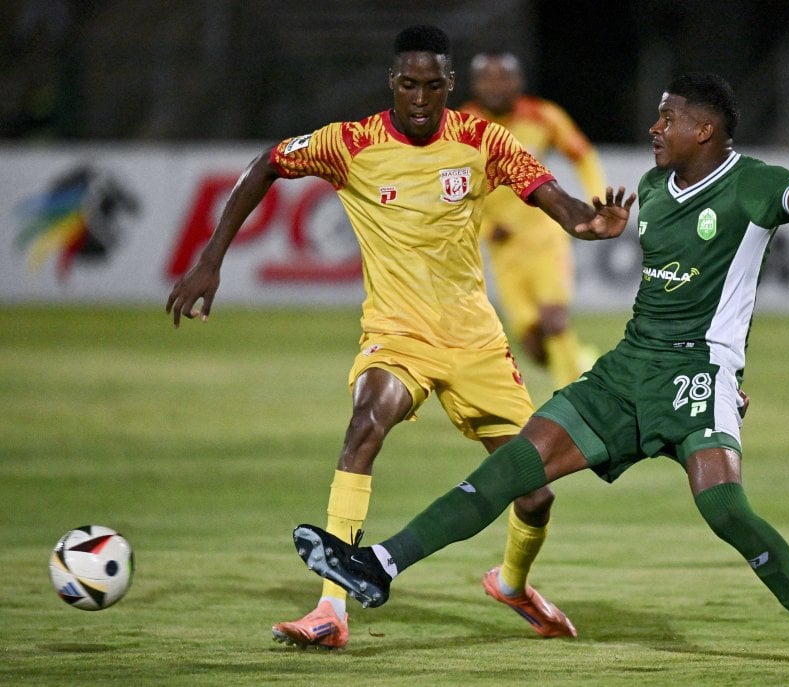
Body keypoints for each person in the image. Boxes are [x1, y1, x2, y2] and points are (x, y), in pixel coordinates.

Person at [291, 73, 789, 668]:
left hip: (699, 371)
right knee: (516, 466)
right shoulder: (653, 186)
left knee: (723, 508)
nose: (655, 128)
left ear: (705, 130)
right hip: (627, 369)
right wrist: (608, 230)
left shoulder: (755, 184)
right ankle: (380, 565)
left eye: (667, 119)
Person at [166, 25, 632, 649]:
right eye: (408, 84)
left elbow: (559, 201)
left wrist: (591, 223)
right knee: (366, 425)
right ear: (392, 82)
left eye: (432, 85)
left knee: (536, 492)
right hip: (396, 330)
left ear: (449, 86)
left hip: (473, 339)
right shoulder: (349, 143)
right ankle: (331, 607)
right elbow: (266, 165)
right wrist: (210, 258)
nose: (419, 97)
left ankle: (512, 583)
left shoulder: (480, 140)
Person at [461, 52, 605, 387]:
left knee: (555, 321)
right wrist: (482, 228)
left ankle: (573, 405)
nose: (495, 86)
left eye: (503, 78)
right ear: (475, 84)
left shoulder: (543, 116)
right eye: (487, 78)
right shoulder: (462, 124)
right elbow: (449, 186)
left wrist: (597, 198)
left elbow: (583, 155)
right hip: (502, 248)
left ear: (518, 82)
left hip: (544, 236)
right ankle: (585, 365)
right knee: (536, 346)